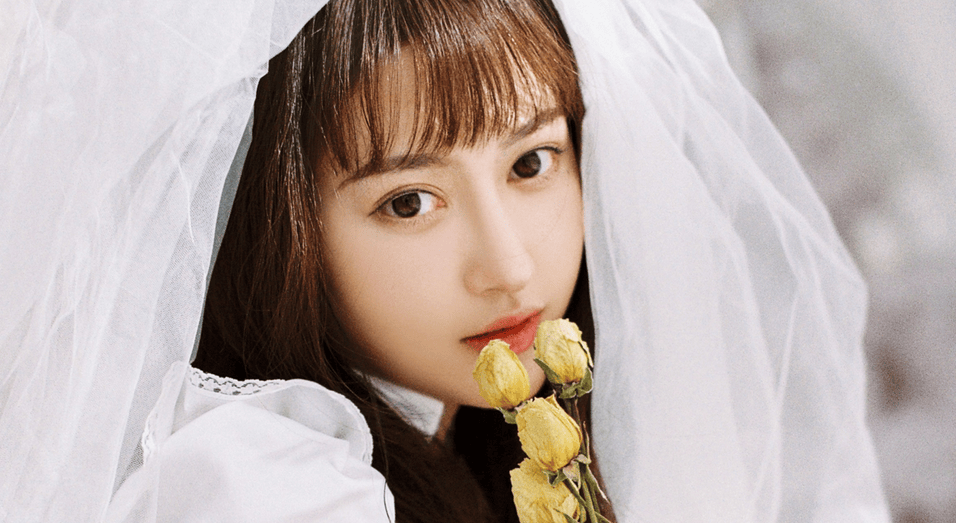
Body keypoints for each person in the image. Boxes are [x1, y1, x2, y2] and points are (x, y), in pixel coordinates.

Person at [0, 0, 891, 521]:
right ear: (281, 228)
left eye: (532, 163)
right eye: (409, 202)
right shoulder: (272, 490)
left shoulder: (514, 450)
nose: (508, 265)